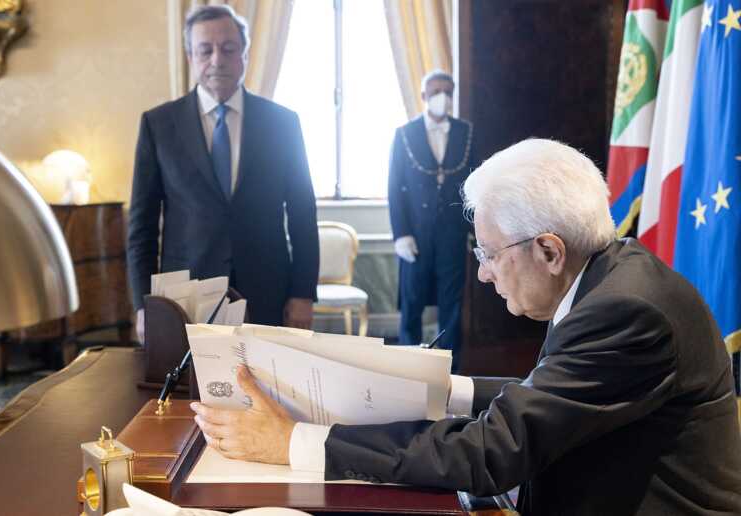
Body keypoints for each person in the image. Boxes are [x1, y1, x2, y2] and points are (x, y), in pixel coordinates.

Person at [191, 139, 741, 515]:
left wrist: (295, 441)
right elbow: (550, 397)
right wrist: (433, 386)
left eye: (490, 253)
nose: (481, 273)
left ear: (549, 251)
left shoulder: (626, 313)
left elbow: (490, 452)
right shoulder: (612, 277)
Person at [127, 5, 319, 339]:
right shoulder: (158, 124)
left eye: (228, 48)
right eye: (205, 50)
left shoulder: (283, 123)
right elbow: (141, 227)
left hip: (267, 290)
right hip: (185, 295)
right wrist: (144, 305)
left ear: (245, 53)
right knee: (191, 375)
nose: (217, 60)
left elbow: (303, 214)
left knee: (265, 374)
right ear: (191, 57)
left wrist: (303, 293)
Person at [388, 70, 475, 372]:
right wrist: (401, 234)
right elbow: (394, 187)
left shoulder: (466, 132)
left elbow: (475, 184)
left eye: (448, 92)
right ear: (424, 96)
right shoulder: (404, 133)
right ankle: (407, 370)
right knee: (411, 303)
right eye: (437, 91)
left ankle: (449, 372)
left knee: (452, 306)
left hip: (453, 233)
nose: (443, 97)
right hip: (415, 233)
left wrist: (475, 229)